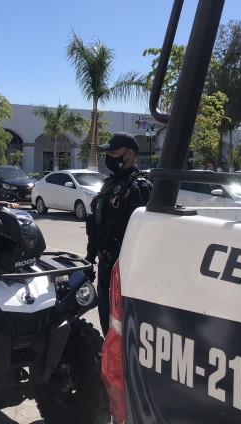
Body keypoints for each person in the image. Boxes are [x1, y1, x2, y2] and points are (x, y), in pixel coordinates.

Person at [85, 131, 152, 335]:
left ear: (129, 154)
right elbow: (96, 223)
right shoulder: (109, 184)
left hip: (126, 271)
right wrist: (90, 258)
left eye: (114, 152)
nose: (109, 158)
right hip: (106, 266)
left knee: (125, 328)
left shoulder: (140, 187)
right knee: (108, 324)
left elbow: (143, 235)